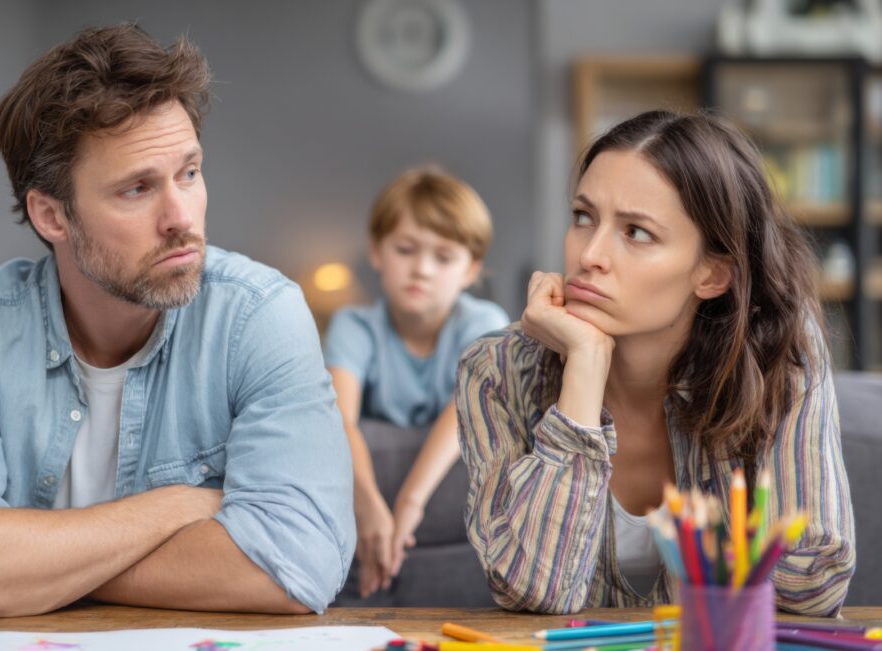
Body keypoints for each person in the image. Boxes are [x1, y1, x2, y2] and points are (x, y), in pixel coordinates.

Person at [0, 23, 354, 621]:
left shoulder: (259, 316)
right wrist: (178, 507)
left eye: (189, 172)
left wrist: (33, 570)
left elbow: (297, 565)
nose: (182, 217)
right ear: (52, 215)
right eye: (136, 189)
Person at [456, 111, 855, 616]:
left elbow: (815, 582)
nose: (590, 254)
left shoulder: (782, 358)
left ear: (712, 274)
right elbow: (531, 590)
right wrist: (584, 366)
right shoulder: (496, 369)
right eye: (583, 217)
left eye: (636, 233)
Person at [324, 167, 509, 598]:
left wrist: (408, 503)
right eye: (405, 249)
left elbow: (463, 410)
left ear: (470, 270)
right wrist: (368, 505)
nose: (422, 270)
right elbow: (338, 421)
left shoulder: (484, 322)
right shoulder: (354, 326)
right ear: (376, 252)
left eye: (443, 257)